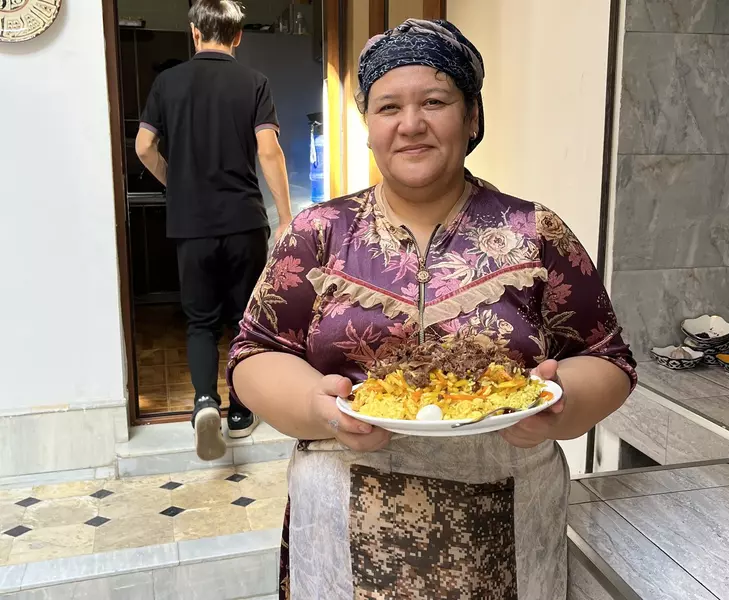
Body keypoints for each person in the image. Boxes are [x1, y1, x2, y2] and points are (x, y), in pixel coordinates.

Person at [228, 19, 636, 599]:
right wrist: (319, 410)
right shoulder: (318, 234)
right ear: (368, 125)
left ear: (472, 117)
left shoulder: (534, 232)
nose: (411, 124)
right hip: (342, 525)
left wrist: (560, 402)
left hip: (506, 536)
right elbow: (255, 353)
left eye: (436, 101)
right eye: (388, 106)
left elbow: (608, 357)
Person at [136, 0, 292, 460]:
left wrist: (177, 184)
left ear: (194, 32)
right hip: (244, 220)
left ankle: (205, 402)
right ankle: (243, 411)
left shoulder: (168, 82)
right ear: (238, 36)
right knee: (246, 320)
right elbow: (269, 152)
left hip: (192, 224)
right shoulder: (255, 83)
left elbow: (145, 147)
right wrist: (285, 217)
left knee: (200, 320)